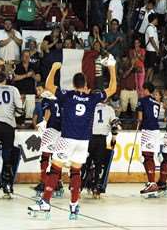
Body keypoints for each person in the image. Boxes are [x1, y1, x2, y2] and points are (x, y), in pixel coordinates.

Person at [28, 57, 117, 219]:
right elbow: (112, 89)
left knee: (55, 169)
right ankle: (74, 206)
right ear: (85, 85)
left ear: (74, 85)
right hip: (83, 142)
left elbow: (48, 86)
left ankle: (45, 203)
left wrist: (54, 68)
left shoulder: (67, 95)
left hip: (67, 139)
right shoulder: (92, 98)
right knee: (76, 172)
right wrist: (112, 67)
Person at [82, 98, 118, 199]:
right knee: (99, 164)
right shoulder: (109, 109)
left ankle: (79, 187)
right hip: (101, 139)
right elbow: (115, 124)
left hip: (89, 138)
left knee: (85, 163)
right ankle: (96, 188)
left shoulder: (89, 105)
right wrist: (114, 138)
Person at [33, 87, 63, 197]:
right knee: (57, 157)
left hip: (51, 129)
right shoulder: (61, 97)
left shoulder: (46, 97)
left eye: (39, 90)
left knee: (45, 156)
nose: (38, 92)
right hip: (62, 129)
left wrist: (44, 122)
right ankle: (58, 182)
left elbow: (48, 111)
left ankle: (44, 181)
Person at [137, 82, 161, 197]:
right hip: (156, 130)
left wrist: (138, 124)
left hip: (148, 130)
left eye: (143, 89)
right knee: (148, 156)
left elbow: (140, 118)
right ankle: (151, 182)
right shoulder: (157, 102)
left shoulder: (142, 100)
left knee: (147, 156)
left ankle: (152, 183)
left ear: (146, 90)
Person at [13, 50, 41, 121]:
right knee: (19, 112)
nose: (27, 57)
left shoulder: (34, 66)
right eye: (25, 56)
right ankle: (20, 124)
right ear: (21, 57)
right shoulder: (16, 66)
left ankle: (30, 127)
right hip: (20, 92)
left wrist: (33, 75)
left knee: (30, 113)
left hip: (31, 92)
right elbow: (14, 78)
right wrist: (26, 75)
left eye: (28, 56)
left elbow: (38, 79)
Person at [145, 13, 160, 82]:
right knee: (150, 67)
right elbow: (151, 39)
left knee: (152, 67)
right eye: (156, 19)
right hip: (151, 50)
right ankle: (146, 81)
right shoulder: (150, 28)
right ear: (153, 19)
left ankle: (150, 81)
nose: (157, 20)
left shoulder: (154, 28)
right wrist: (157, 49)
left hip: (153, 50)